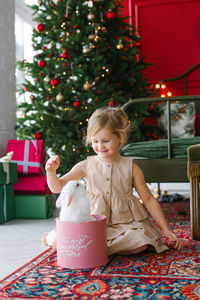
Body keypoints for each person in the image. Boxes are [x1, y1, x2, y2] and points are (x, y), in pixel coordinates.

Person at [44, 107, 182, 255]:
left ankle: (94, 248)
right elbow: (57, 187)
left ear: (120, 138)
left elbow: (148, 199)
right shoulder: (85, 165)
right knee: (67, 238)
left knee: (141, 240)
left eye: (106, 141)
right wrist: (51, 172)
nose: (100, 146)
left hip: (126, 224)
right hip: (93, 223)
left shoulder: (132, 168)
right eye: (95, 141)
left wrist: (165, 229)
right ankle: (98, 246)